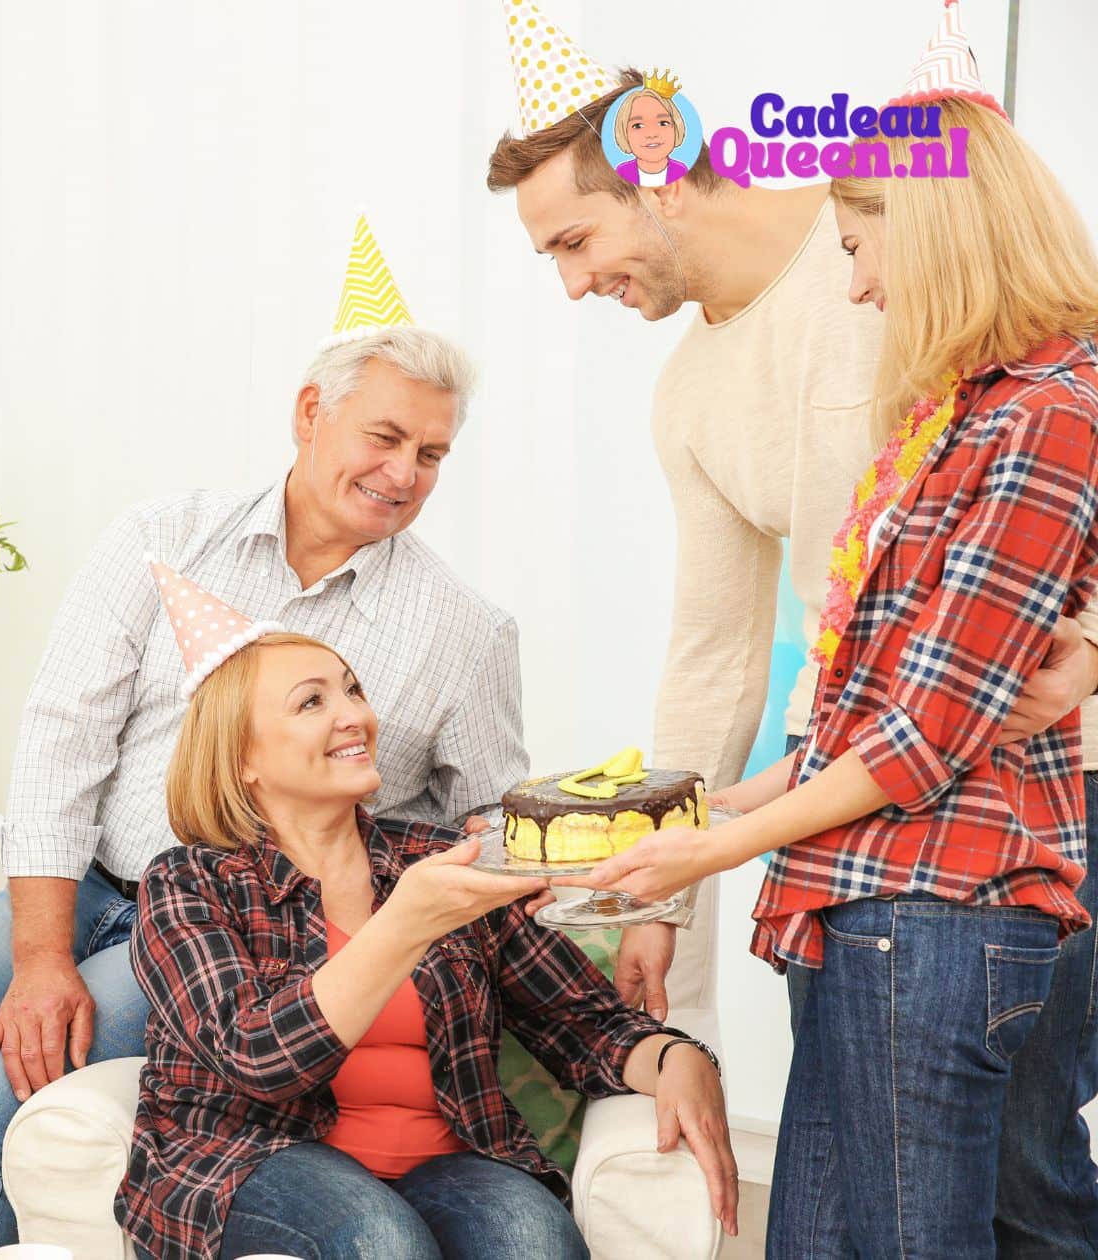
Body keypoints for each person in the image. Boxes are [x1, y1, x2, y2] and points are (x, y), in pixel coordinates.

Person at [0, 218, 530, 1253]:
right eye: (383, 438)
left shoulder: (462, 630)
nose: (403, 474)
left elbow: (490, 823)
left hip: (230, 935)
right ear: (308, 413)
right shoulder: (160, 538)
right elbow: (61, 740)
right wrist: (38, 952)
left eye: (430, 454)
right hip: (89, 882)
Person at [563, 64, 1098, 1254]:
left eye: (860, 245)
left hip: (955, 871)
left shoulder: (1042, 407)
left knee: (1020, 1194)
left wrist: (714, 841)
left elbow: (926, 727)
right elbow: (835, 691)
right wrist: (695, 827)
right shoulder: (935, 413)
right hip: (849, 868)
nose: (850, 282)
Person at [485, 29, 1097, 1019]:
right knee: (868, 1141)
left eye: (573, 241)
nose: (568, 284)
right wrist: (663, 903)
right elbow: (711, 661)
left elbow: (1063, 410)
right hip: (841, 790)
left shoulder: (893, 227)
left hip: (1036, 773)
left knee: (1018, 1152)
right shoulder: (686, 399)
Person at [118, 561, 734, 1260]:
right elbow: (258, 1057)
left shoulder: (439, 859)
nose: (354, 714)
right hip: (253, 1157)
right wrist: (405, 922)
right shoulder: (188, 883)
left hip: (449, 1160)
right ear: (243, 758)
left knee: (534, 1244)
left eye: (352, 689)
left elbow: (580, 1020)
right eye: (311, 702)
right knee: (384, 1242)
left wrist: (675, 1057)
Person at [611, 80, 688, 186]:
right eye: (638, 126)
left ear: (676, 127)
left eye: (663, 123)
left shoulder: (681, 171)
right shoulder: (622, 172)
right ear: (624, 133)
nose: (652, 134)